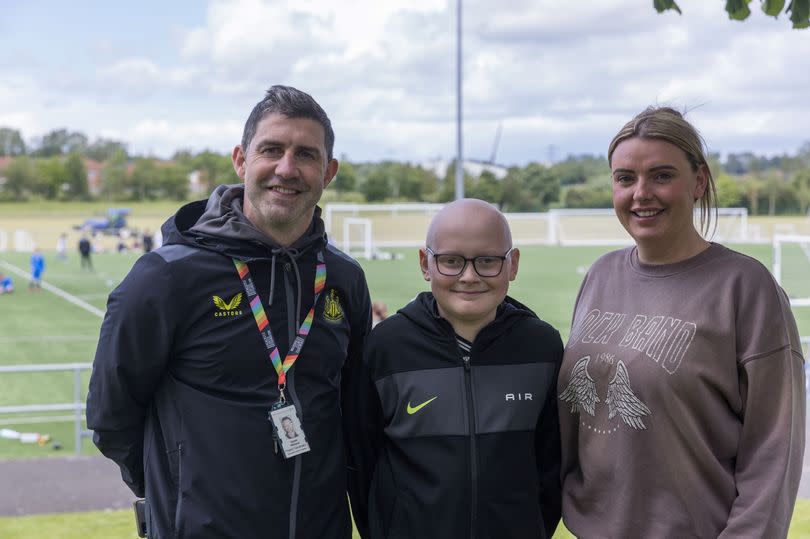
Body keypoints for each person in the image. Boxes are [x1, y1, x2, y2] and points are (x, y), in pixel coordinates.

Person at [86, 85, 372, 539]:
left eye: (306, 155)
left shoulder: (343, 277)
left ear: (329, 171)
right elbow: (110, 415)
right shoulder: (165, 277)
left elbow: (355, 405)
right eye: (271, 150)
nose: (286, 168)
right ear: (241, 160)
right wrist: (177, 495)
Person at [557, 106, 805, 538]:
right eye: (625, 178)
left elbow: (774, 451)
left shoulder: (745, 287)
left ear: (699, 181)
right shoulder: (601, 275)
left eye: (661, 175)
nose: (641, 193)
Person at [345, 198, 563, 539]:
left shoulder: (542, 348)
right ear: (425, 263)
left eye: (488, 261)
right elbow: (361, 465)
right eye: (451, 261)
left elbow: (551, 468)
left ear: (513, 264)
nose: (469, 276)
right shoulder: (384, 349)